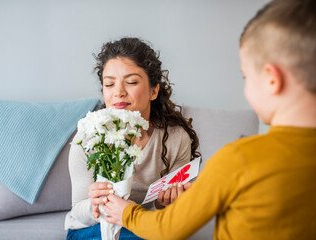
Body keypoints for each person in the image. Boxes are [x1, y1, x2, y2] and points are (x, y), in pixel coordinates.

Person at [103, 0, 316, 239]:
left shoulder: (238, 160)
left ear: (271, 79)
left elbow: (168, 228)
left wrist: (127, 214)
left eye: (246, 76)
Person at [64, 37, 201, 239]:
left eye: (131, 82)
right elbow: (78, 211)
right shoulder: (88, 138)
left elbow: (174, 217)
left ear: (154, 91)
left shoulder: (175, 138)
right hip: (93, 228)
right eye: (109, 84)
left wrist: (167, 203)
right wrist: (95, 203)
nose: (118, 92)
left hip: (144, 225)